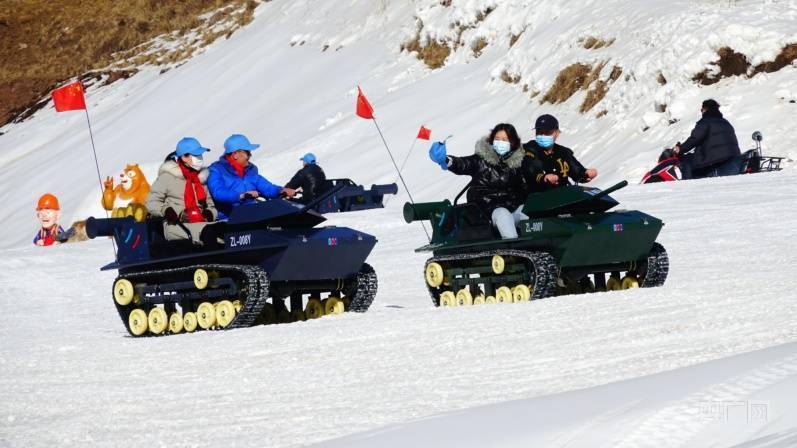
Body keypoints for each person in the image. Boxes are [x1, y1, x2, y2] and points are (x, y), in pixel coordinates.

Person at [428, 123, 527, 239]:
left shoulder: (518, 164)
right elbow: (464, 164)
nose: (500, 143)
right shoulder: (481, 161)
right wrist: (446, 160)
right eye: (497, 139)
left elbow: (527, 185)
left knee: (528, 212)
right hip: (487, 211)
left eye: (504, 140)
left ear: (513, 142)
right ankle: (513, 248)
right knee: (503, 215)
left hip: (512, 209)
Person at [146, 137, 220, 246]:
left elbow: (211, 204)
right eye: (196, 155)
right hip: (176, 225)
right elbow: (151, 201)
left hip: (201, 221)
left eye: (200, 155)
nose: (200, 158)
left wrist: (210, 213)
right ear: (184, 157)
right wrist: (166, 211)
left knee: (226, 229)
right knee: (209, 233)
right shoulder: (168, 177)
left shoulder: (200, 179)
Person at [208, 134, 296, 219]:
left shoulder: (251, 170)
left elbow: (266, 187)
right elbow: (218, 192)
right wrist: (240, 196)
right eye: (248, 153)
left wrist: (281, 190)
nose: (250, 156)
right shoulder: (216, 170)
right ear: (235, 155)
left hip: (253, 215)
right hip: (230, 218)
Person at [521, 114, 598, 191]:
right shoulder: (530, 149)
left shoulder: (563, 152)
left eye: (547, 132)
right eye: (539, 132)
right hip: (538, 198)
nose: (542, 135)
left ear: (557, 133)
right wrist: (543, 177)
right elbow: (531, 168)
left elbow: (576, 170)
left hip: (562, 197)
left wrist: (586, 174)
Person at [673, 99, 741, 179]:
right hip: (731, 160)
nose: (701, 112)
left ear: (705, 109)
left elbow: (694, 139)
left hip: (715, 163)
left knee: (685, 162)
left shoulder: (705, 122)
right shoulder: (725, 122)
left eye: (702, 109)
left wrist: (680, 149)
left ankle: (688, 186)